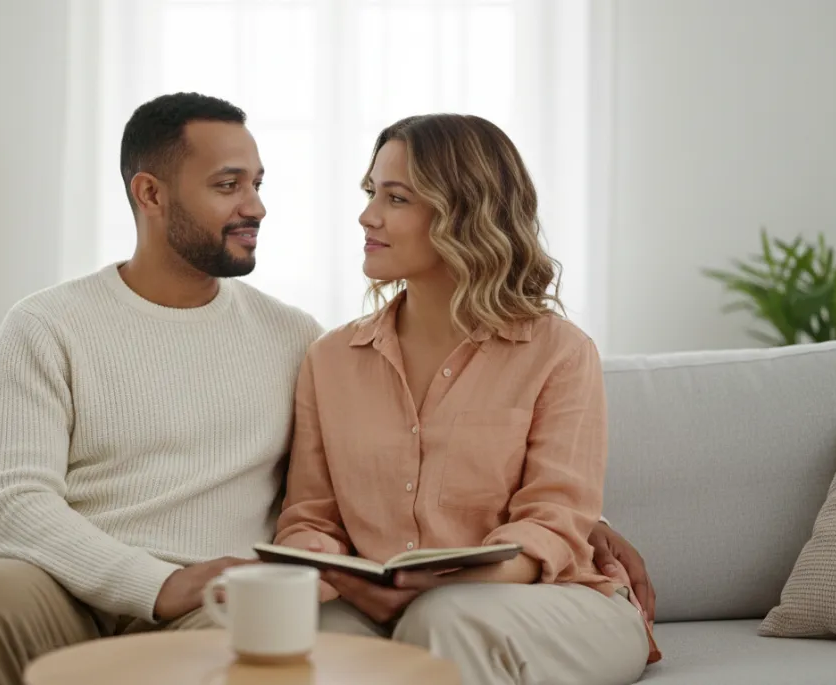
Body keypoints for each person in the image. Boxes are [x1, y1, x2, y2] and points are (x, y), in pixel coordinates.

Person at [0, 93, 656, 685]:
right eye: (228, 185)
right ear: (151, 193)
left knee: (316, 647)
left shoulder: (293, 337)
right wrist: (161, 581)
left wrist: (562, 537)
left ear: (463, 214)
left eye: (257, 183)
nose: (257, 206)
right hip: (66, 585)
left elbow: (535, 498)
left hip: (230, 598)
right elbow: (11, 506)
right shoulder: (48, 325)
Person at [271, 113, 662, 685]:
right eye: (371, 191)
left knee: (444, 618)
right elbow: (310, 518)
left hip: (550, 604)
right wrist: (345, 579)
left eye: (397, 198)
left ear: (464, 213)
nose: (367, 215)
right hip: (391, 604)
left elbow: (551, 524)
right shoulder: (329, 359)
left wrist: (430, 588)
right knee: (315, 632)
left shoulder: (559, 352)